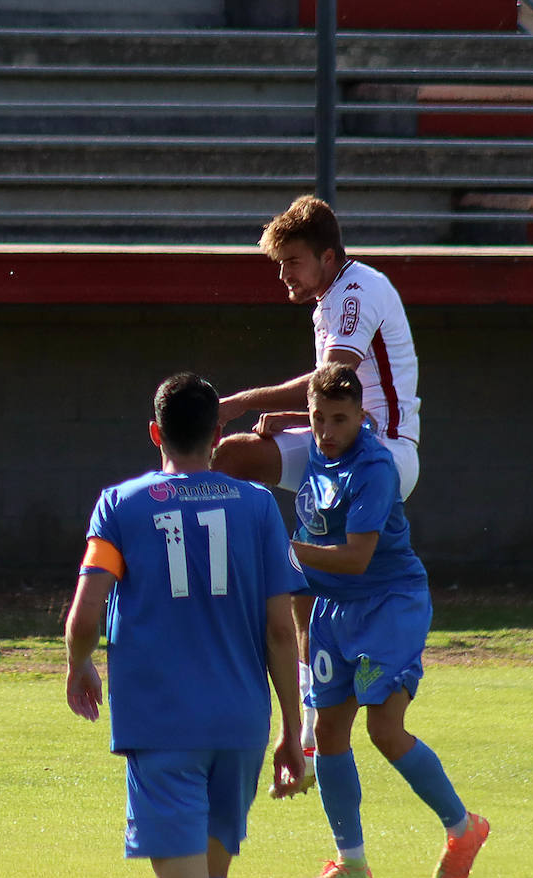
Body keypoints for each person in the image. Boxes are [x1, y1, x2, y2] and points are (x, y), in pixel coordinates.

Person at [64, 372, 307, 878]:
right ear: (217, 435)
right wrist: (292, 730)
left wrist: (79, 664)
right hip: (240, 727)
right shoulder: (259, 506)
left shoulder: (120, 506)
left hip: (162, 726)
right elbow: (280, 630)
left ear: (156, 433)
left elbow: (85, 615)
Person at [212, 195, 422, 761]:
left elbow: (335, 376)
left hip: (383, 455)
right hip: (337, 443)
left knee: (303, 562)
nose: (283, 275)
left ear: (328, 258)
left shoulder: (356, 290)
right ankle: (304, 715)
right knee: (231, 459)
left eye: (293, 262)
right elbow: (330, 396)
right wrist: (296, 414)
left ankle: (268, 569)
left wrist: (235, 402)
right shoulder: (328, 298)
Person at [289, 363, 487, 878]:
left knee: (383, 728)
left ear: (363, 417)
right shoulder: (317, 443)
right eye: (317, 419)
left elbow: (356, 559)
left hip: (389, 605)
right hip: (335, 607)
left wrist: (281, 550)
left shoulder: (374, 467)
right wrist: (272, 421)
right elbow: (307, 422)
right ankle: (351, 861)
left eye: (339, 420)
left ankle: (463, 828)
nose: (327, 432)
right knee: (330, 730)